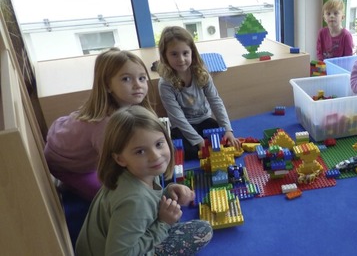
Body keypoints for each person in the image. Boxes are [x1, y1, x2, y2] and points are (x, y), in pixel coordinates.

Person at [75, 105, 213, 255]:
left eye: (159, 144)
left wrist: (168, 192)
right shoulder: (134, 200)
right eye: (140, 151)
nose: (155, 156)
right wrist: (163, 224)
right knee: (202, 230)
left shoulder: (136, 172)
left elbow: (146, 203)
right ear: (120, 158)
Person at [44, 48, 154, 201]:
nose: (138, 85)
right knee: (113, 198)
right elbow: (116, 168)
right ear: (107, 85)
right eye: (126, 79)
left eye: (142, 78)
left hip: (73, 140)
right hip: (66, 165)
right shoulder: (106, 126)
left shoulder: (126, 105)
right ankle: (71, 185)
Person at [157, 26, 241, 160]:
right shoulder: (165, 84)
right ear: (165, 56)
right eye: (174, 54)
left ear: (192, 53)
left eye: (185, 53)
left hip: (204, 120)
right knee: (187, 151)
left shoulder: (201, 73)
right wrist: (199, 141)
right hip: (182, 125)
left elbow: (215, 101)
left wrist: (228, 130)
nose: (181, 59)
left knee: (221, 139)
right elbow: (178, 118)